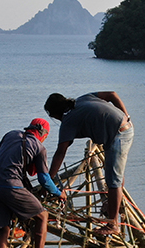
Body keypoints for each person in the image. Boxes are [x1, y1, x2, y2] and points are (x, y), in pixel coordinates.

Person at [44, 91, 133, 236]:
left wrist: (48, 180)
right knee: (115, 171)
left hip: (119, 134)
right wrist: (126, 115)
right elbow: (112, 94)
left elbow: (60, 153)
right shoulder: (82, 99)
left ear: (54, 114)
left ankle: (113, 224)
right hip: (122, 128)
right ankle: (113, 205)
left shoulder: (68, 121)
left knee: (113, 180)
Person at [0, 118, 63, 248]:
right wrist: (58, 192)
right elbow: (44, 179)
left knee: (4, 229)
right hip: (12, 187)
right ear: (43, 134)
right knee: (43, 216)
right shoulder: (39, 147)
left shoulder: (11, 135)